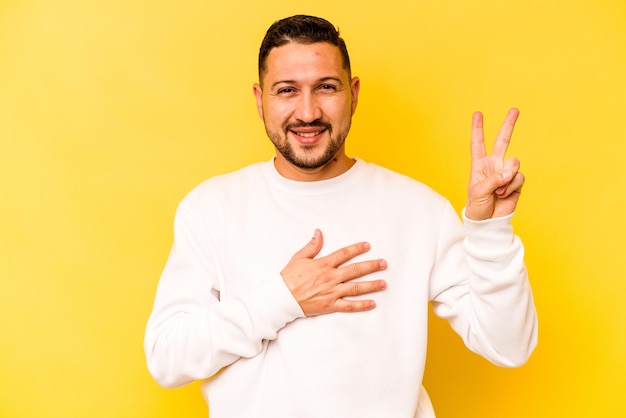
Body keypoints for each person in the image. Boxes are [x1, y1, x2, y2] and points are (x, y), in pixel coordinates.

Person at [144, 14, 538, 418]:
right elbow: (166, 356)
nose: (308, 111)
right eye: (287, 90)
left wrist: (490, 229)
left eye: (326, 87)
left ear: (353, 93)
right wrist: (282, 299)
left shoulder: (420, 210)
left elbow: (509, 346)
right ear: (261, 99)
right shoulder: (213, 207)